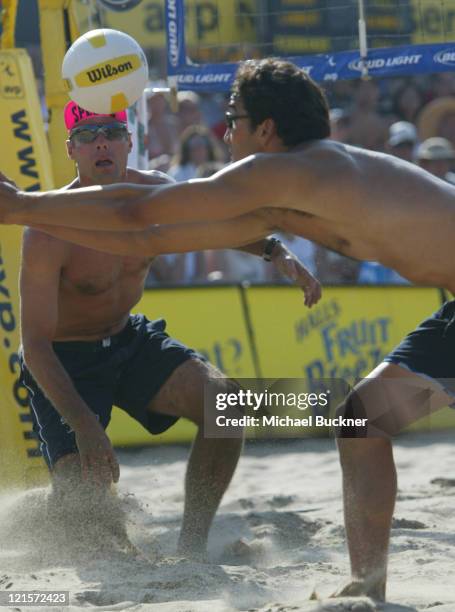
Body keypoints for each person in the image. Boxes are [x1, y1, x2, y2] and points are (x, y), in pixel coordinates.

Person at [1, 58, 455, 598]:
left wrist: (21, 205)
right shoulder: (304, 178)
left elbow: (140, 217)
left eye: (234, 117)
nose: (224, 129)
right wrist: (28, 212)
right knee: (360, 419)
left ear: (266, 129)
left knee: (307, 413)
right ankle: (366, 589)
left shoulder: (278, 171)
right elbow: (152, 237)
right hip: (70, 359)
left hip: (126, 338)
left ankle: (356, 584)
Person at [15, 99, 321, 559]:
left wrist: (274, 251)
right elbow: (35, 347)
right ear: (71, 151)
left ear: (130, 142)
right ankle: (62, 519)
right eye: (87, 135)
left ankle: (192, 546)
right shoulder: (48, 229)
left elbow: (214, 223)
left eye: (112, 133)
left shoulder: (155, 193)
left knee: (227, 407)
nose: (101, 143)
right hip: (64, 359)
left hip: (126, 339)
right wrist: (84, 425)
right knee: (88, 516)